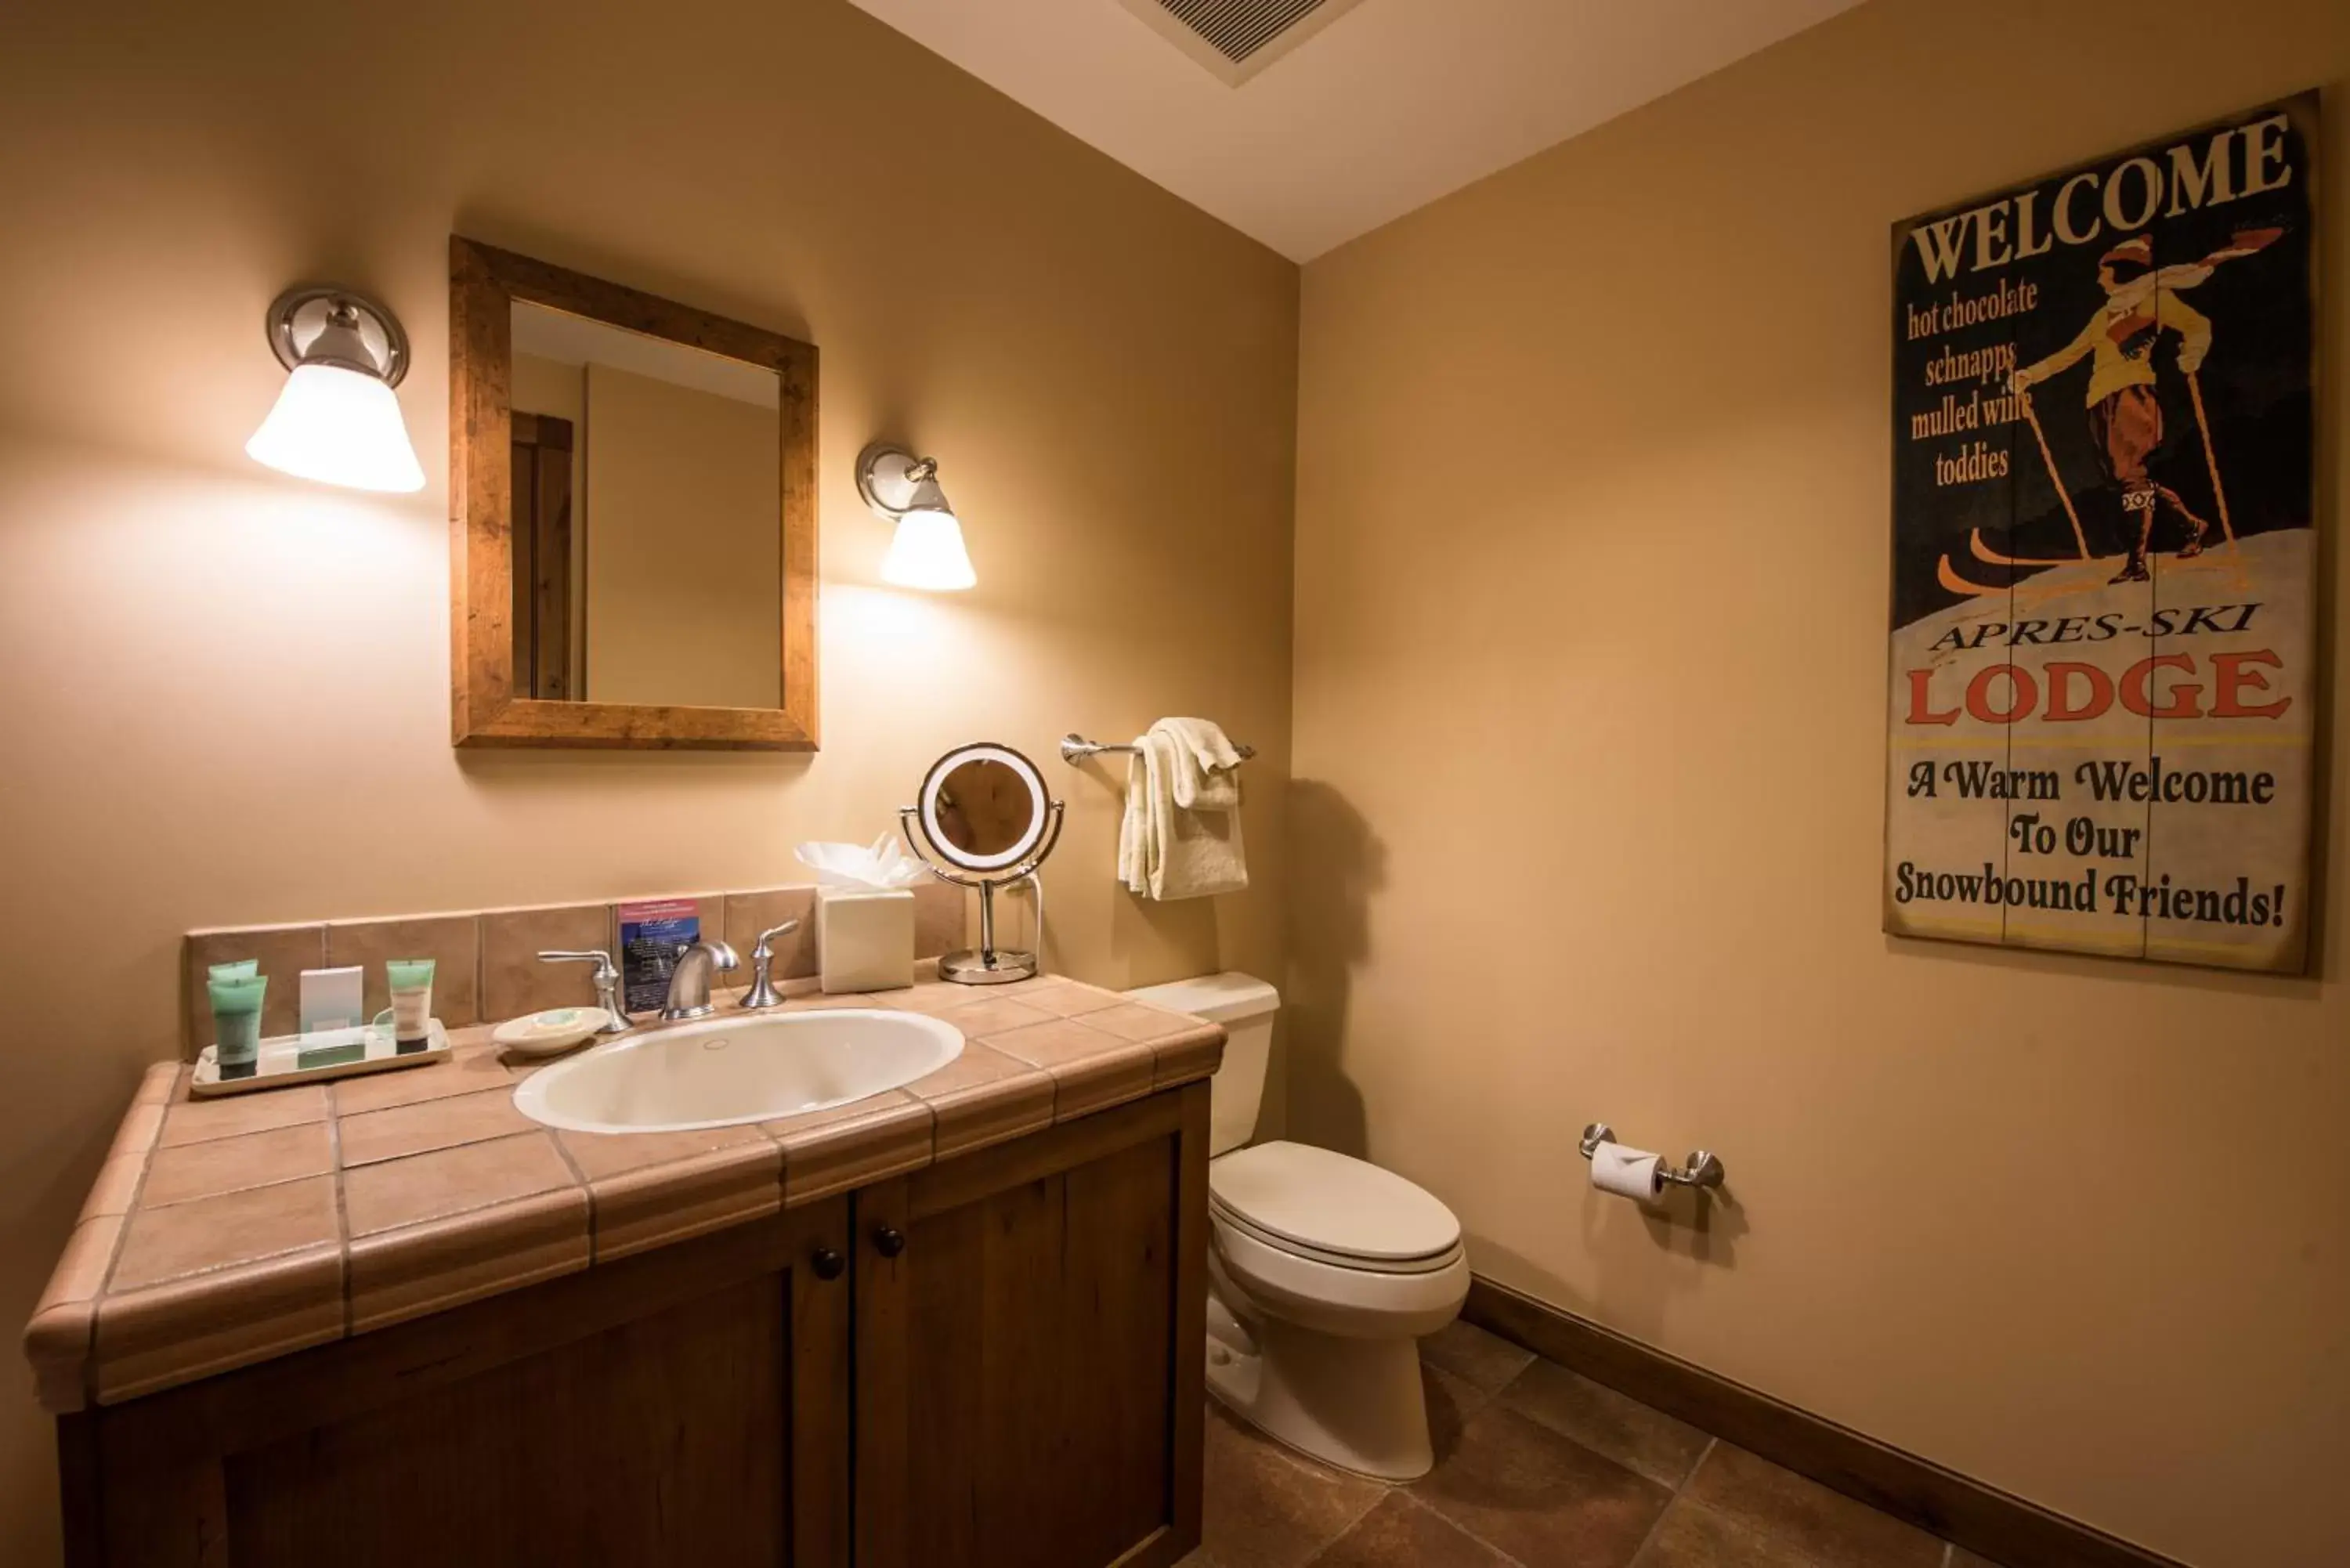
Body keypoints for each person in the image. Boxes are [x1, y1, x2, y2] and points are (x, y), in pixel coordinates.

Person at [2009, 228, 2278, 582]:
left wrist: (2192, 354)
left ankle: (2136, 563)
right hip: (2100, 401)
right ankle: (2191, 525)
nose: (2098, 277)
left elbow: (2197, 325)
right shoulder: (2104, 314)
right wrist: (2030, 374)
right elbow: (2072, 353)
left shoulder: (2154, 300)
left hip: (2133, 397)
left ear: (2119, 271)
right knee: (2124, 481)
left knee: (2129, 478)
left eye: (2104, 271)